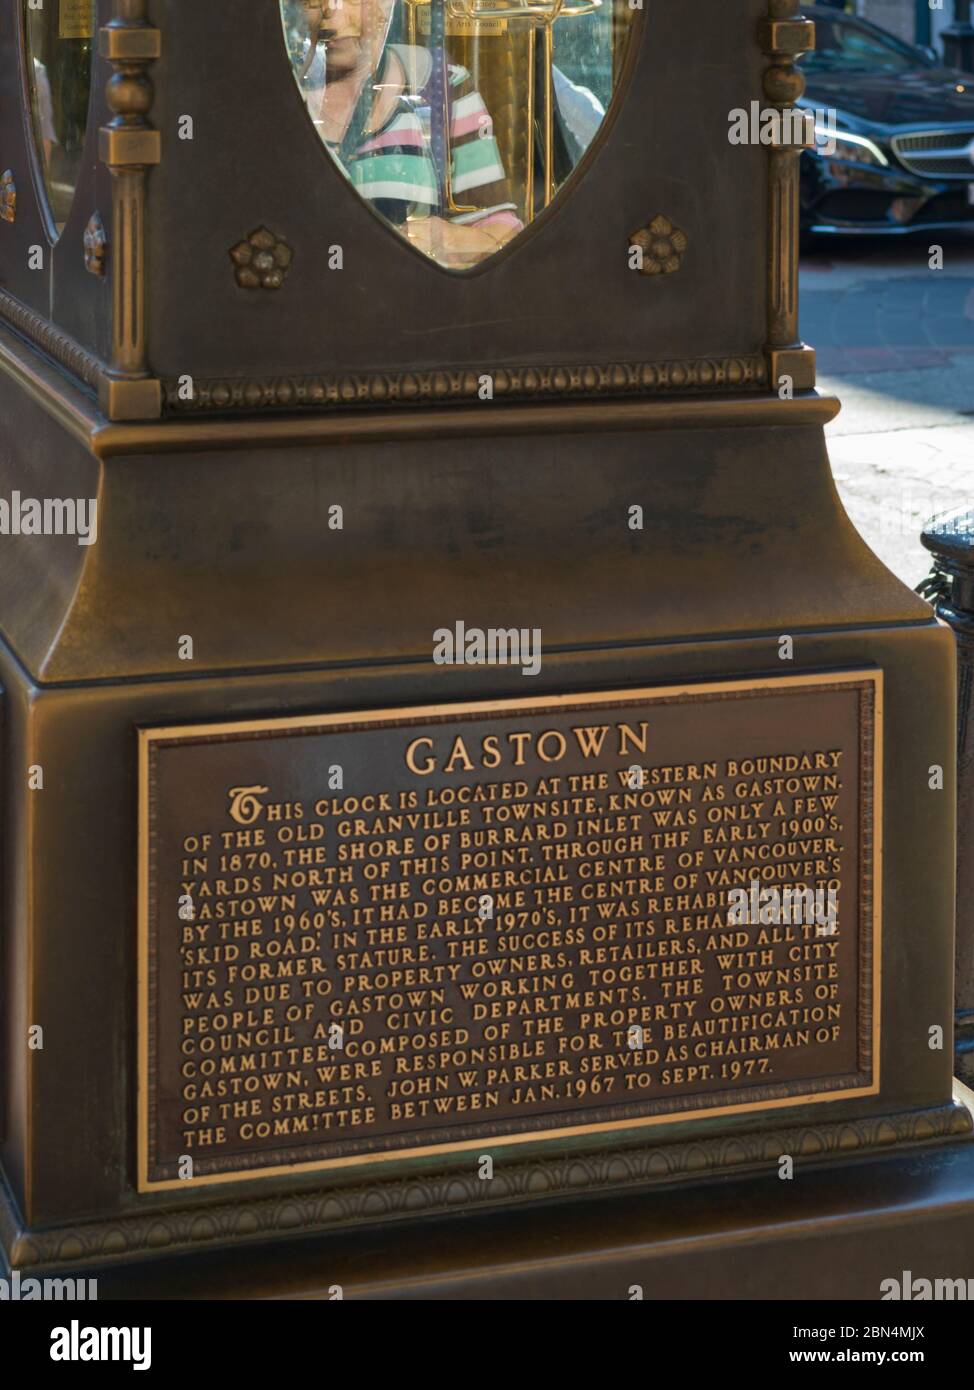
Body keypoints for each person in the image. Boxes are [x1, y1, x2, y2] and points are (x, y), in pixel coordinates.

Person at [295, 0, 523, 267]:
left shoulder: (442, 87)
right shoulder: (273, 98)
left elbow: (506, 236)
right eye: (311, 1)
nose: (331, 13)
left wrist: (443, 241)